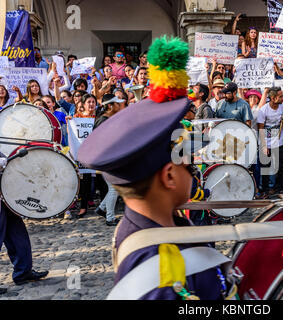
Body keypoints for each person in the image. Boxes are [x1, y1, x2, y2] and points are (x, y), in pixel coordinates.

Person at [77, 36, 233, 300]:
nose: (193, 173)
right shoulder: (161, 275)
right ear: (170, 176)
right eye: (189, 165)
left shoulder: (159, 224)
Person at [94, 94, 125, 226]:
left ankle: (101, 208)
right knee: (114, 188)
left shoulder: (107, 119)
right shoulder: (103, 121)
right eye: (117, 104)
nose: (119, 105)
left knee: (114, 187)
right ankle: (110, 218)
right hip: (107, 159)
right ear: (110, 106)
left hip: (109, 158)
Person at [66, 94, 97, 218]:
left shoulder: (99, 118)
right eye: (88, 102)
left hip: (97, 153)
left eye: (93, 102)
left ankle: (106, 208)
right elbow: (72, 135)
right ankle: (83, 207)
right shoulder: (76, 118)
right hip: (84, 155)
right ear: (83, 105)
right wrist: (70, 122)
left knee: (101, 181)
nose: (91, 104)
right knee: (85, 181)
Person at [257, 87, 283, 195]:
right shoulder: (263, 110)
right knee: (265, 167)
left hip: (279, 140)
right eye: (280, 96)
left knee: (280, 166)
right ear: (273, 98)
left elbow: (282, 124)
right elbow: (260, 128)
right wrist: (264, 146)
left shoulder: (282, 107)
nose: (282, 98)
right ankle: (265, 190)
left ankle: (279, 189)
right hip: (266, 140)